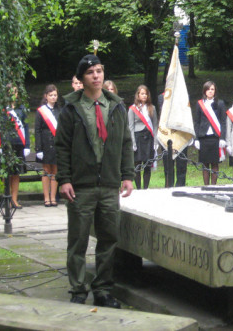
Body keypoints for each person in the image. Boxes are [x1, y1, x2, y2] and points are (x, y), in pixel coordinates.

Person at [55, 54, 134, 308]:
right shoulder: (71, 109)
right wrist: (64, 179)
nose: (97, 76)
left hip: (109, 185)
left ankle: (102, 289)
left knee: (109, 239)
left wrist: (128, 175)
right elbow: (62, 147)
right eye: (91, 72)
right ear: (81, 78)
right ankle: (78, 288)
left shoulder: (117, 106)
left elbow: (125, 142)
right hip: (81, 186)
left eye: (99, 71)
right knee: (78, 240)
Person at [194, 81, 227, 185]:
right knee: (205, 165)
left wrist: (222, 137)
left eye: (212, 89)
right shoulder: (200, 104)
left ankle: (214, 186)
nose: (210, 91)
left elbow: (223, 122)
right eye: (208, 89)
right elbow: (197, 122)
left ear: (215, 91)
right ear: (205, 91)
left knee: (215, 164)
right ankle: (206, 186)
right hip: (203, 137)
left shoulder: (220, 103)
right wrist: (196, 139)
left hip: (215, 137)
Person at [3, 85, 30, 209]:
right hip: (7, 145)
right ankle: (7, 199)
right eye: (10, 92)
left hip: (19, 144)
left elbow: (26, 127)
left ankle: (14, 199)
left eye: (15, 91)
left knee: (16, 173)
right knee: (7, 173)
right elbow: (0, 128)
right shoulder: (3, 109)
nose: (13, 94)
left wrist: (27, 145)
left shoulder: (21, 109)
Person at [35, 84, 60, 207]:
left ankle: (53, 197)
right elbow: (37, 130)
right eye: (51, 95)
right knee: (46, 171)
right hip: (45, 144)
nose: (53, 97)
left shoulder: (59, 110)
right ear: (46, 96)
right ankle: (46, 198)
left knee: (55, 171)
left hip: (56, 144)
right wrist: (38, 148)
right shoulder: (41, 111)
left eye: (55, 95)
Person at [128, 85, 158, 190]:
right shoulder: (132, 109)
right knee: (137, 165)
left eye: (146, 93)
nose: (144, 95)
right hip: (137, 138)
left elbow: (155, 125)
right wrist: (133, 143)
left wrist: (155, 142)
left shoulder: (152, 108)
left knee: (147, 164)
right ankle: (139, 188)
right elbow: (130, 127)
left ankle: (145, 188)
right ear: (138, 95)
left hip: (149, 138)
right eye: (142, 93)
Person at [157, 92, 188, 187]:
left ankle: (180, 186)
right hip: (167, 134)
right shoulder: (161, 97)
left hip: (180, 133)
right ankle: (168, 186)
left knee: (181, 164)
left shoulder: (183, 94)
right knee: (168, 165)